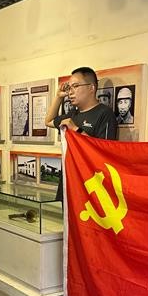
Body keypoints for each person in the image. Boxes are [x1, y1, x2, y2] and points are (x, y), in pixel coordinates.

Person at [45, 66, 118, 201]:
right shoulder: (73, 113)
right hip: (69, 180)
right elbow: (48, 121)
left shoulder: (104, 114)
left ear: (91, 88)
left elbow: (105, 153)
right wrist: (58, 97)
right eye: (69, 88)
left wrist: (76, 129)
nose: (70, 92)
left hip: (89, 186)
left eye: (76, 86)